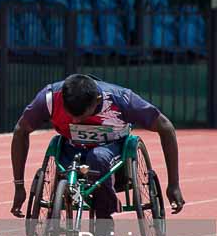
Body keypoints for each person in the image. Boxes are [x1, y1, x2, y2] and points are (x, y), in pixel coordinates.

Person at [10, 74, 185, 223]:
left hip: (112, 149)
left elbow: (166, 127)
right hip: (71, 148)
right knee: (65, 159)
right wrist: (19, 186)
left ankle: (104, 219)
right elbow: (20, 131)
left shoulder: (121, 99)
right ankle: (60, 206)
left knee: (97, 157)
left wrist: (174, 184)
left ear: (98, 101)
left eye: (81, 115)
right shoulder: (50, 98)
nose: (75, 121)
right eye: (71, 114)